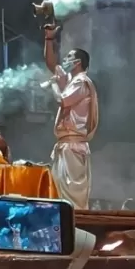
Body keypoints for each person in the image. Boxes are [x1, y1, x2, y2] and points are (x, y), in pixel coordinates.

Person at [42, 28, 99, 210]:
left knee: (72, 200)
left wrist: (52, 86)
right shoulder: (70, 81)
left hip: (73, 147)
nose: (64, 60)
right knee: (58, 192)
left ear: (77, 63)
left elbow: (62, 100)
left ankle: (75, 230)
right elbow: (52, 64)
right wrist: (49, 38)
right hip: (65, 146)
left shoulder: (82, 82)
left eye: (68, 58)